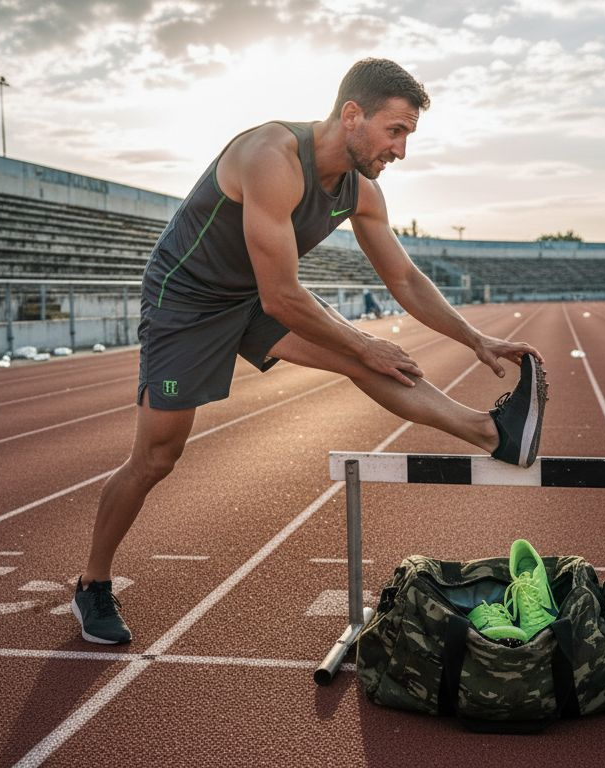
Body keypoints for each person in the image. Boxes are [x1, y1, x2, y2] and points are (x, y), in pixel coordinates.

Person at [72, 58, 547, 645]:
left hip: (251, 293)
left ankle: (492, 432)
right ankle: (92, 583)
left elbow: (404, 278)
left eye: (407, 135)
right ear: (352, 114)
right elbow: (282, 296)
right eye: (394, 131)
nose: (401, 150)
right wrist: (363, 343)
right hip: (188, 303)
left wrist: (475, 337)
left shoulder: (362, 192)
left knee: (366, 356)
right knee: (157, 458)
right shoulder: (270, 158)